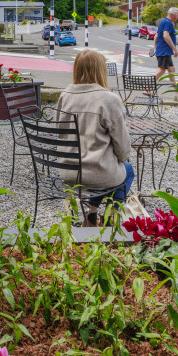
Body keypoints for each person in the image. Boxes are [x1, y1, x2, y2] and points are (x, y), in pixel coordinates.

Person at [56, 50, 134, 226]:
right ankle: (109, 217)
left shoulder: (65, 96)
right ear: (101, 70)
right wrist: (119, 159)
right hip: (98, 174)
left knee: (103, 171)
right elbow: (123, 150)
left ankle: (91, 215)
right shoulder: (109, 99)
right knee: (127, 170)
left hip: (68, 172)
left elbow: (60, 132)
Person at [151, 7, 178, 95]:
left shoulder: (163, 22)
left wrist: (155, 48)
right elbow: (166, 35)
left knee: (171, 69)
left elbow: (156, 36)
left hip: (163, 50)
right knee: (161, 70)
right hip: (165, 51)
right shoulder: (168, 23)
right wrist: (175, 49)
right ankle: (147, 89)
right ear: (174, 14)